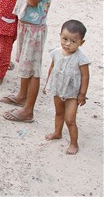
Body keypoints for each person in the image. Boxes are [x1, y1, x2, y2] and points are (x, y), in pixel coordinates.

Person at [1, 0, 57, 123]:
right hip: (24, 23)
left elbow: (33, 0)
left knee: (32, 69)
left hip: (35, 27)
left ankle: (28, 111)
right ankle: (21, 96)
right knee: (25, 63)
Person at [43, 20, 90, 155]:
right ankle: (57, 132)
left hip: (72, 94)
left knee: (70, 119)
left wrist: (82, 94)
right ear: (60, 36)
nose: (68, 44)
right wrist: (48, 83)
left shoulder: (81, 58)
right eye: (65, 39)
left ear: (81, 42)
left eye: (73, 41)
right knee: (58, 113)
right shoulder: (57, 52)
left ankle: (74, 143)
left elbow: (85, 77)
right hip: (58, 89)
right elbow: (52, 67)